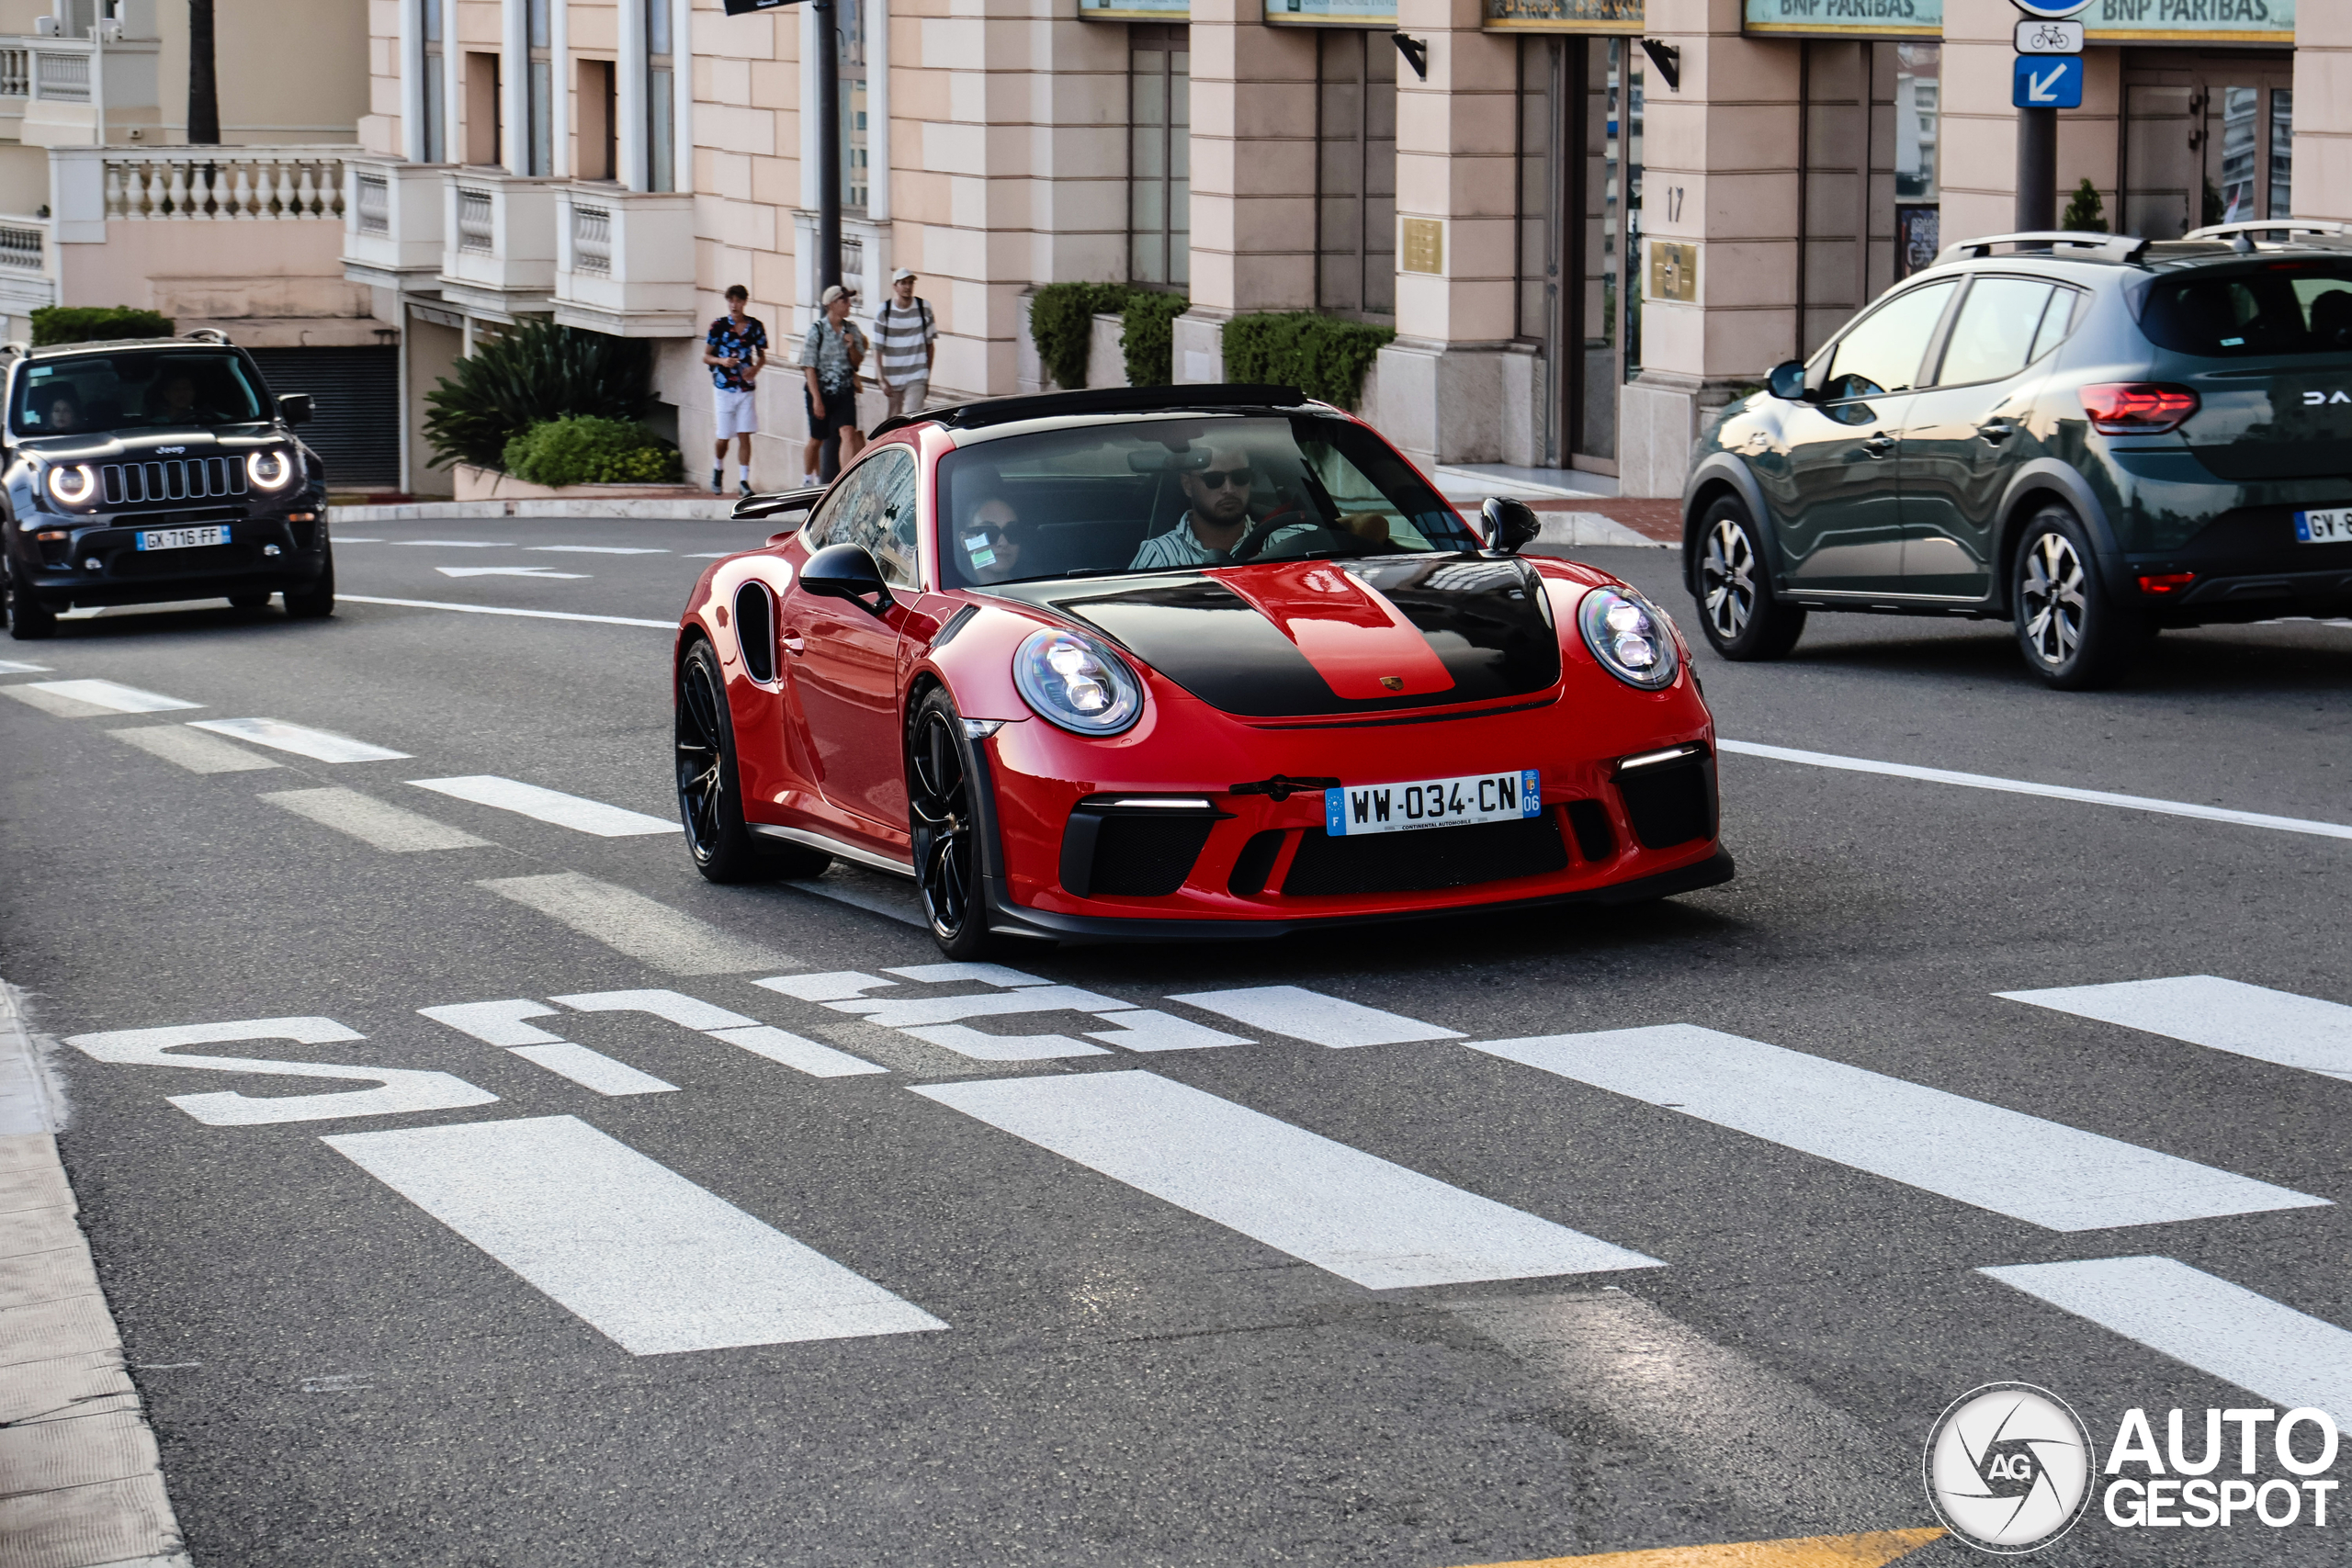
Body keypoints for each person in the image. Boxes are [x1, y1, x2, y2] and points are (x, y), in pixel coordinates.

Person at [1128, 440, 1309, 570]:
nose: (1229, 489)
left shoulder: (1293, 542)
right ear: (1188, 485)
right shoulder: (1159, 557)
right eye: (1214, 479)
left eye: (1240, 477)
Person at [703, 284, 768, 496]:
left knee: (744, 434)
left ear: (744, 302)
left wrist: (755, 368)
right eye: (731, 300)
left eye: (738, 301)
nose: (734, 305)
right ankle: (718, 468)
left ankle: (743, 481)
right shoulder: (719, 326)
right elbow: (706, 356)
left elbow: (762, 356)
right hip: (724, 387)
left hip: (745, 387)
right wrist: (722, 361)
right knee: (723, 436)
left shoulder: (755, 326)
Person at [801, 284, 867, 486]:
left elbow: (856, 362)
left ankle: (844, 481)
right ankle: (806, 479)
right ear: (831, 304)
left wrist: (851, 347)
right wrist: (817, 400)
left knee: (847, 431)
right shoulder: (817, 331)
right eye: (844, 300)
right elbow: (809, 367)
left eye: (849, 300)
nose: (848, 305)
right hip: (820, 391)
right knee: (816, 439)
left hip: (844, 390)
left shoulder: (852, 329)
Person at [871, 268, 937, 421]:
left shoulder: (924, 308)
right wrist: (881, 378)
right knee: (893, 420)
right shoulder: (884, 311)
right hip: (893, 377)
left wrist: (926, 376)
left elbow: (930, 345)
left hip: (917, 374)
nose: (908, 287)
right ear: (895, 286)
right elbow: (877, 348)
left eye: (910, 283)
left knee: (914, 418)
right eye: (903, 283)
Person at [956, 493, 1025, 586]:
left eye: (1011, 532)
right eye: (988, 532)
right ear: (964, 541)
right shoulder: (949, 592)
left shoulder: (1037, 587)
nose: (1003, 542)